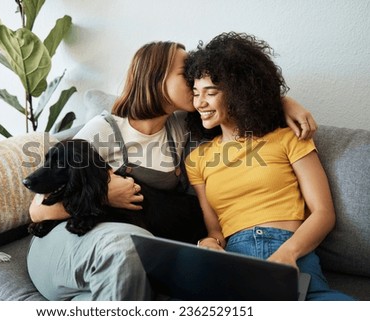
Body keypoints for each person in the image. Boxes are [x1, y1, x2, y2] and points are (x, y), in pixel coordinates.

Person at [27, 40, 318, 301]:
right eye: (186, 74)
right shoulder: (103, 130)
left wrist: (283, 102)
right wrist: (103, 195)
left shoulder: (181, 128)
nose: (195, 82)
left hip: (121, 263)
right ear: (157, 79)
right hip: (69, 243)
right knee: (125, 249)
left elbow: (235, 94)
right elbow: (39, 211)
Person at [184, 32, 354, 300]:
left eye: (210, 92)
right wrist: (209, 243)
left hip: (292, 250)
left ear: (239, 92)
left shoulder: (288, 138)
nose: (199, 103)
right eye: (195, 93)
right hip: (235, 259)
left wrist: (288, 253)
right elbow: (215, 230)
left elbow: (323, 213)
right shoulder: (197, 159)